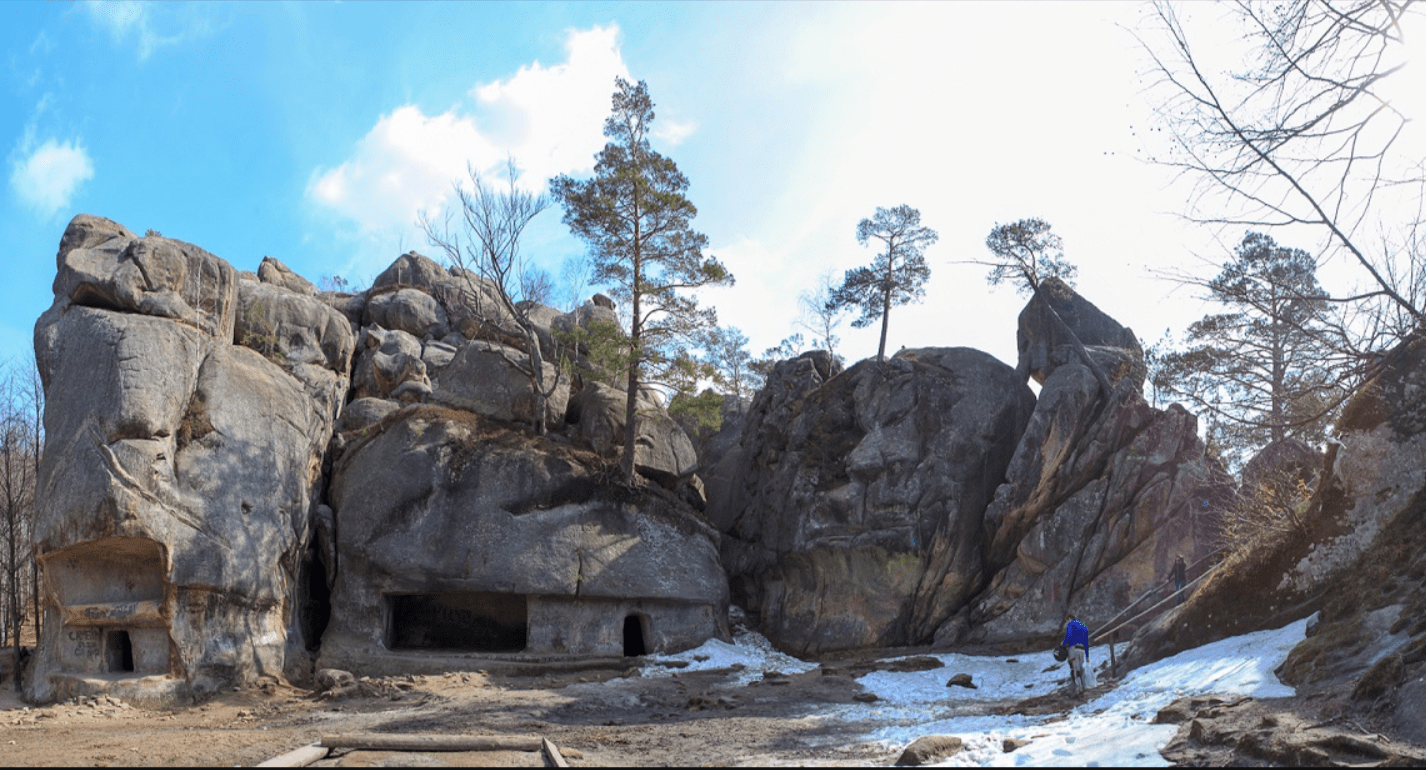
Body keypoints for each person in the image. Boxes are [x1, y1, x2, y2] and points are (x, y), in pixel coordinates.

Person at [1062, 613, 1091, 695]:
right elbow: (1086, 642)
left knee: (1075, 668)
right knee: (1081, 668)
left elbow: (1069, 636)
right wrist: (1087, 655)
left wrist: (1063, 644)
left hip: (1073, 649)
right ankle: (1084, 685)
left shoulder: (1071, 624)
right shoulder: (1083, 626)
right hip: (1082, 649)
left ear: (1069, 618)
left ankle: (1078, 688)